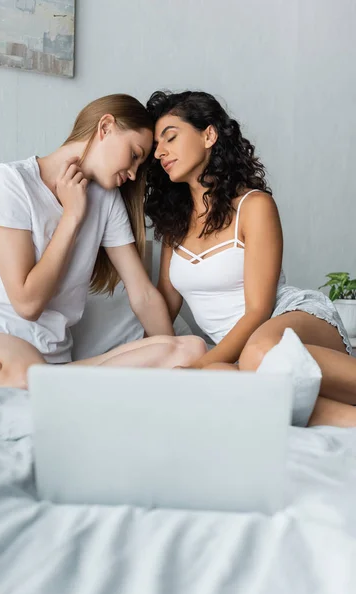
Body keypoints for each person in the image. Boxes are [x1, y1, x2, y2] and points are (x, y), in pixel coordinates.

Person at [0, 94, 206, 389]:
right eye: (135, 155)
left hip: (55, 361)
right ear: (106, 127)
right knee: (22, 372)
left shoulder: (106, 200)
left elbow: (143, 295)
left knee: (192, 349)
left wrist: (172, 355)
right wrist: (72, 216)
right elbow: (27, 304)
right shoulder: (11, 181)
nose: (133, 172)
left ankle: (58, 384)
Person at [145, 90, 356, 427]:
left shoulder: (253, 206)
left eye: (170, 137)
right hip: (240, 353)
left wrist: (195, 369)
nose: (160, 152)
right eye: (156, 145)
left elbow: (258, 310)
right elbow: (163, 310)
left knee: (259, 354)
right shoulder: (174, 227)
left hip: (288, 319)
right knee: (221, 376)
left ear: (209, 134)